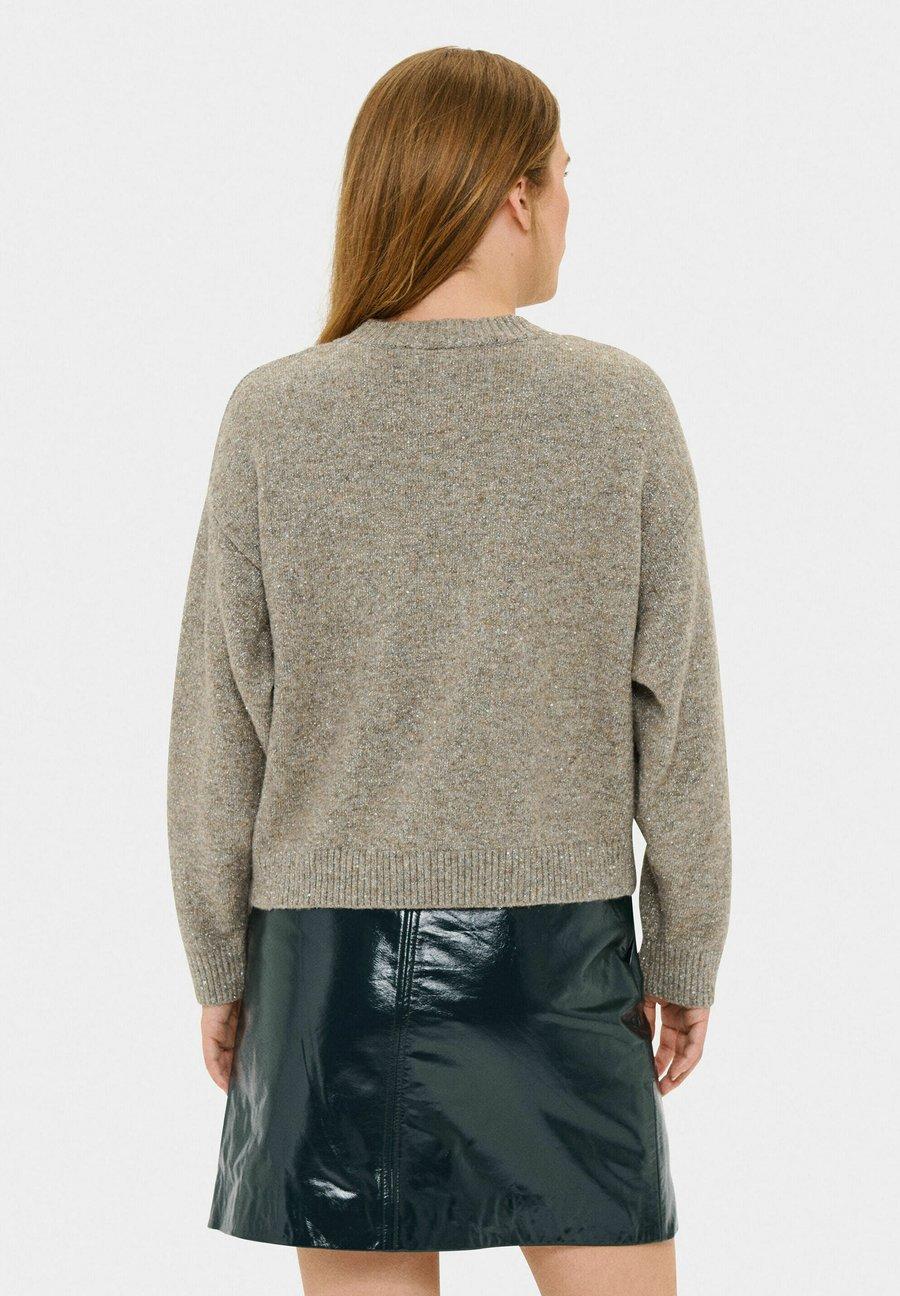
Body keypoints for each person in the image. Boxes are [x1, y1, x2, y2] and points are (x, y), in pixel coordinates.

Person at [167, 45, 731, 1296]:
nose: (569, 205)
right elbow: (678, 716)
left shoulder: (275, 413)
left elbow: (219, 722)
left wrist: (223, 963)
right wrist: (685, 951)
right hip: (562, 970)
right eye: (564, 175)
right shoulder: (621, 406)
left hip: (327, 975)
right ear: (517, 194)